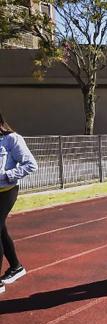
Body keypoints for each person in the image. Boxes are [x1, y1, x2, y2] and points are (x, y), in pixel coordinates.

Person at [0, 113, 38, 294]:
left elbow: (31, 165)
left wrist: (7, 175)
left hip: (6, 192)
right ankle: (15, 266)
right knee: (1, 230)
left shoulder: (12, 140)